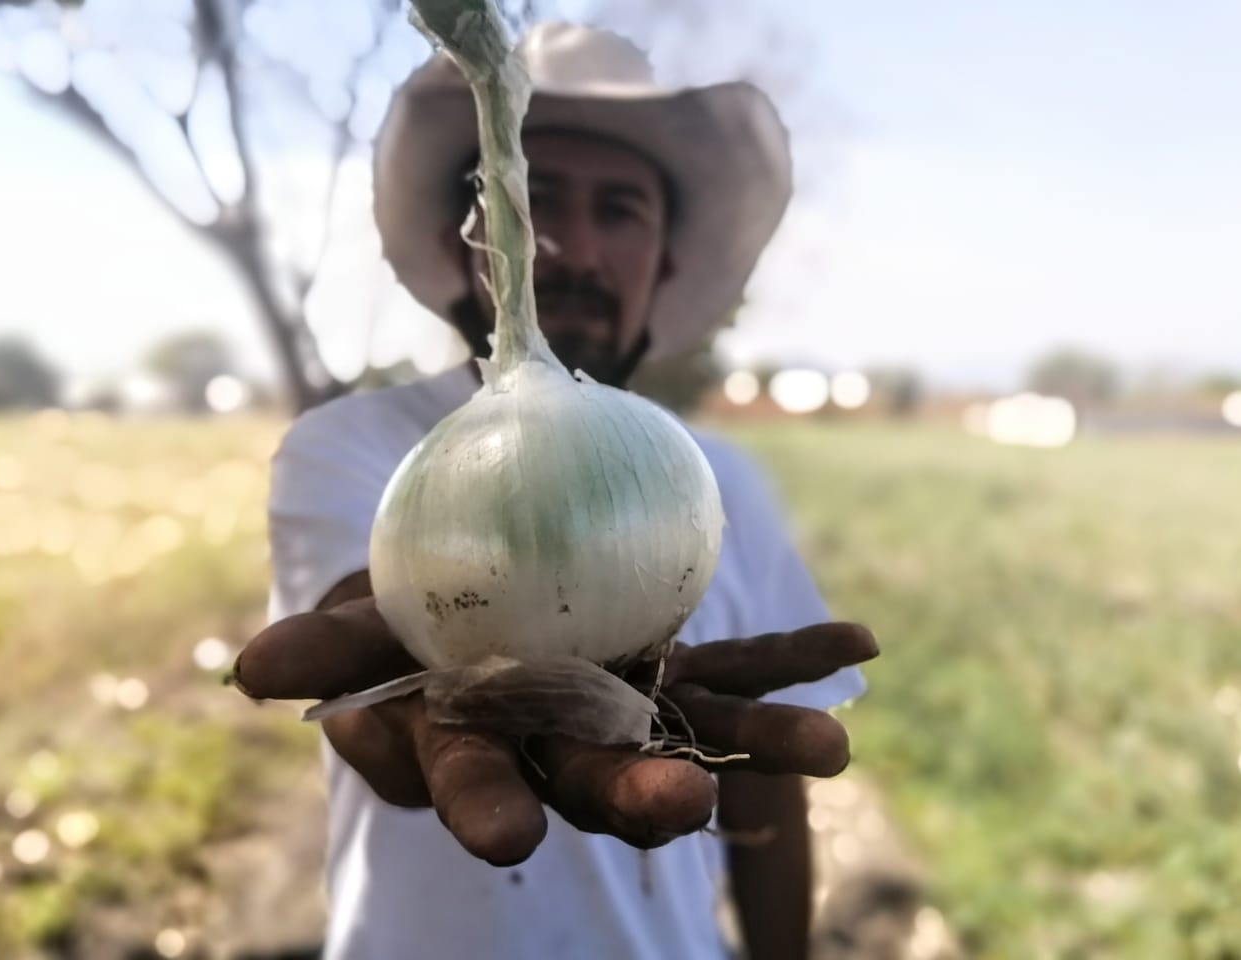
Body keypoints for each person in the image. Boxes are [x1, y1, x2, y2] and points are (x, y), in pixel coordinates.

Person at [235, 22, 878, 960]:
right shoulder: (349, 447)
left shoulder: (725, 479)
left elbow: (766, 783)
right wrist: (402, 690)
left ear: (664, 257)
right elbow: (359, 640)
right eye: (531, 198)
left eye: (618, 209)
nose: (568, 248)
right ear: (470, 237)